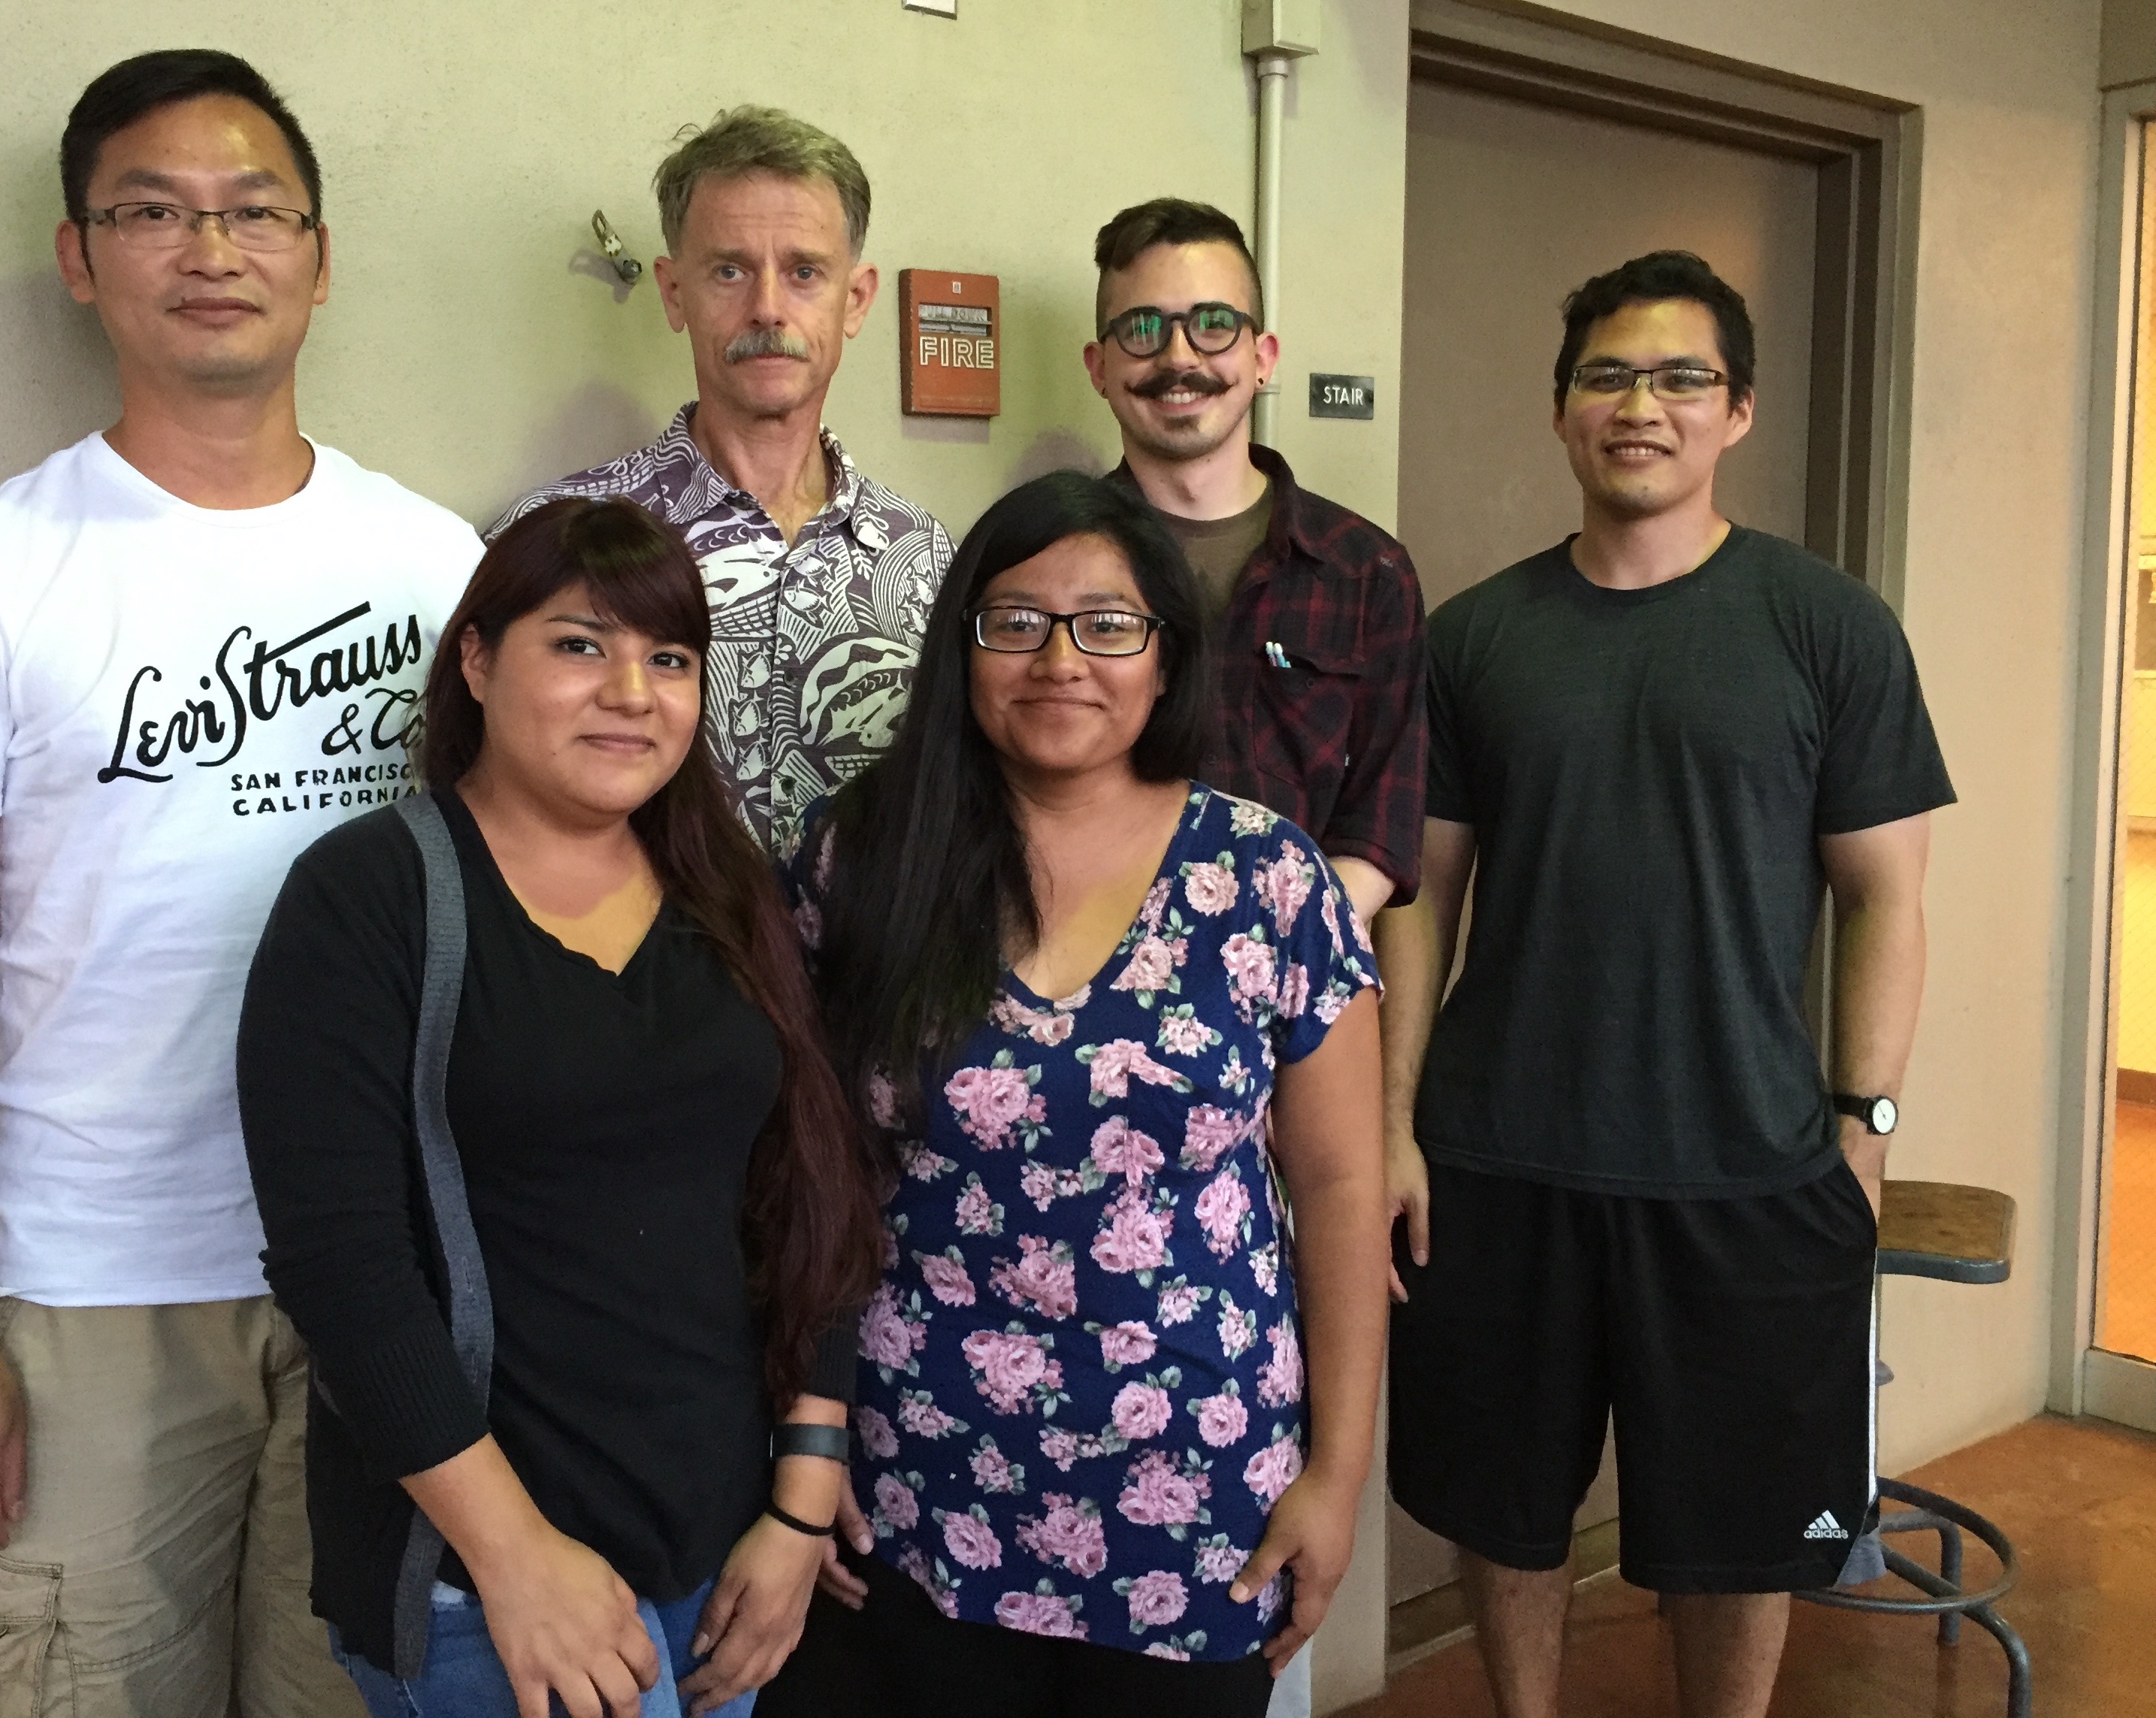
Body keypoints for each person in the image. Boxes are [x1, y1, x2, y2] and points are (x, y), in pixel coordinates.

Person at [0, 50, 483, 1715]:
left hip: (384, 1271)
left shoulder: (435, 567)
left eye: (256, 209)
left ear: (319, 258)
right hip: (97, 1284)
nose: (213, 248)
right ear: (81, 257)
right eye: (153, 211)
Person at [1380, 251, 1955, 1718]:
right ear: (1564, 411)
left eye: (1681, 376)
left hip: (1749, 1170)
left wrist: (1862, 1136)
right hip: (1502, 1161)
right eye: (1608, 376)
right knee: (1500, 1510)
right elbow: (1419, 901)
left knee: (1743, 1528)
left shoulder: (1827, 629)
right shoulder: (1478, 638)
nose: (1643, 405)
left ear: (1738, 409)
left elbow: (1889, 896)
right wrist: (1393, 1126)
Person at [235, 495, 884, 1718]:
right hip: (485, 1576)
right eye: (580, 644)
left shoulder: (724, 891)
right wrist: (512, 1555)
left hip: (721, 1548)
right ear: (476, 661)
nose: (630, 689)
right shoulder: (369, 895)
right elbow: (341, 1267)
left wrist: (801, 1496)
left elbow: (811, 1190)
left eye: (668, 657)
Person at [777, 472, 1392, 1717]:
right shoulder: (866, 854)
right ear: (963, 649)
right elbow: (803, 1161)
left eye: (1105, 624)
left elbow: (1337, 1184)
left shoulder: (1263, 875)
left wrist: (1333, 1475)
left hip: (1191, 1491)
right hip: (913, 1478)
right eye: (1014, 621)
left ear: (1164, 657)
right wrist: (808, 1427)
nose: (1059, 658)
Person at [487, 105, 953, 855]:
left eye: (805, 272)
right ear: (675, 293)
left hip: (869, 974)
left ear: (856, 299)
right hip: (636, 969)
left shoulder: (925, 559)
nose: (767, 308)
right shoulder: (556, 539)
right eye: (729, 271)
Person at [1086, 198, 1425, 923]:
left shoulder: (1368, 573)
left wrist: (1271, 948)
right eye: (1142, 329)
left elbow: (1382, 829)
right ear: (1100, 366)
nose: (1179, 357)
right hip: (1093, 985)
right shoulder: (1050, 564)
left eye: (1214, 325)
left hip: (1297, 993)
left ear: (1262, 357)